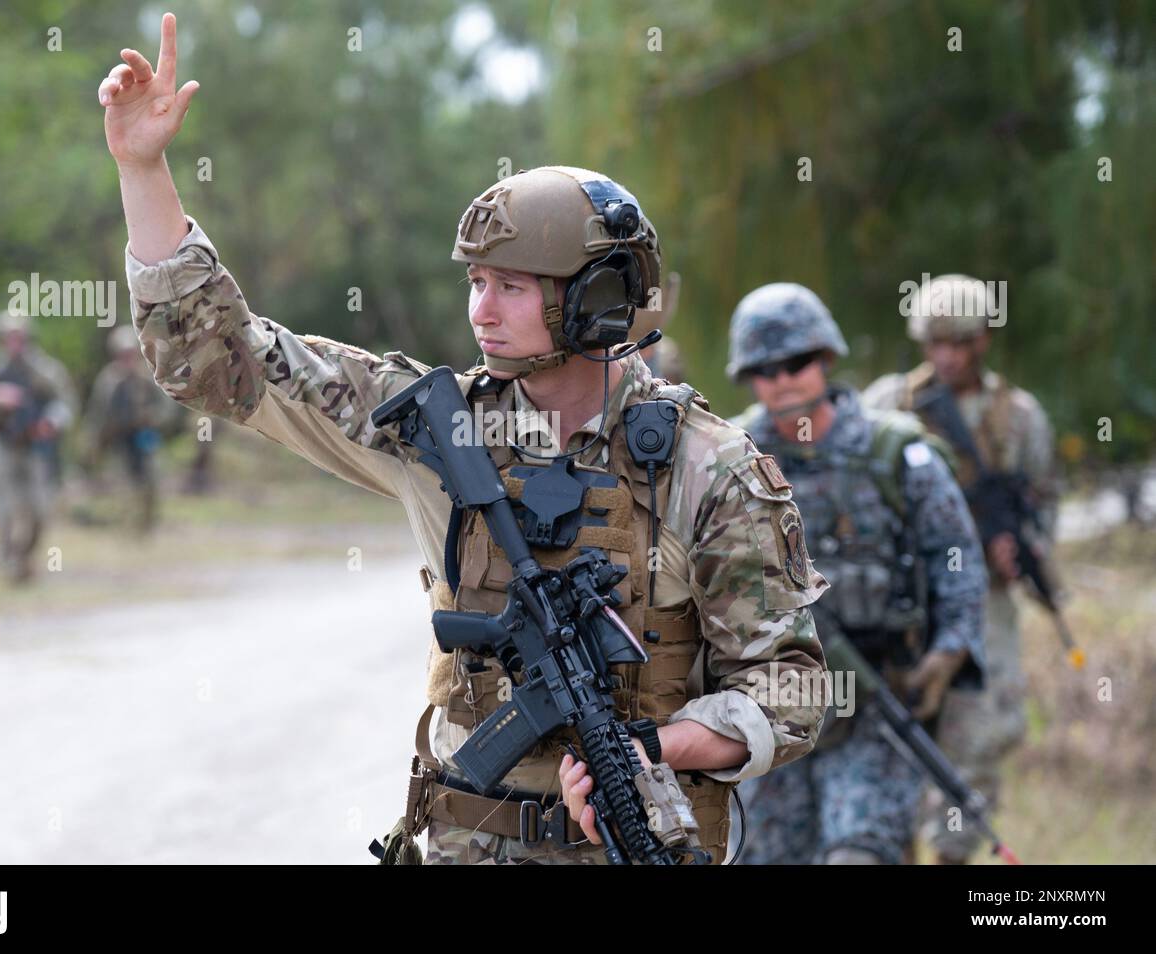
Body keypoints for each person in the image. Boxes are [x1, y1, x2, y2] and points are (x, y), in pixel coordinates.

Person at [99, 12, 829, 864]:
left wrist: (653, 750)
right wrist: (142, 169)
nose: (481, 308)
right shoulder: (432, 425)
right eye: (477, 281)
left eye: (512, 286)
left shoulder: (708, 466)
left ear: (596, 299)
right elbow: (219, 356)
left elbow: (789, 686)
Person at [725, 283, 987, 864]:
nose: (782, 379)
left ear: (825, 359)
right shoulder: (727, 459)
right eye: (764, 370)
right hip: (765, 707)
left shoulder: (895, 452)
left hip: (875, 700)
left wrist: (948, 653)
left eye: (795, 362)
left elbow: (957, 560)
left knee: (860, 853)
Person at [862, 273, 1056, 864]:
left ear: (982, 342)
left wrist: (1022, 553)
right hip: (900, 592)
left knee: (979, 735)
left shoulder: (1019, 418)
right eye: (935, 343)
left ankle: (953, 853)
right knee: (888, 723)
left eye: (958, 342)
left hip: (983, 600)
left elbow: (1044, 505)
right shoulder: (888, 404)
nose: (946, 356)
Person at [0, 311, 77, 582]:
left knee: (40, 510)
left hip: (35, 448)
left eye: (19, 337)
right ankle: (7, 563)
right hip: (2, 446)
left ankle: (25, 558)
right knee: (3, 509)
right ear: (1, 340)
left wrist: (51, 422)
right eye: (9, 338)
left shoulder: (45, 371)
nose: (14, 343)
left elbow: (65, 404)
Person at [83, 324, 179, 534]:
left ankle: (147, 524)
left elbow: (168, 408)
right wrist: (94, 443)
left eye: (130, 353)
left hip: (144, 437)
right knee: (123, 484)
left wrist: (152, 419)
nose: (127, 358)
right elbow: (97, 413)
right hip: (118, 440)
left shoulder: (149, 377)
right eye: (122, 354)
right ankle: (128, 525)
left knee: (151, 481)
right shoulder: (108, 380)